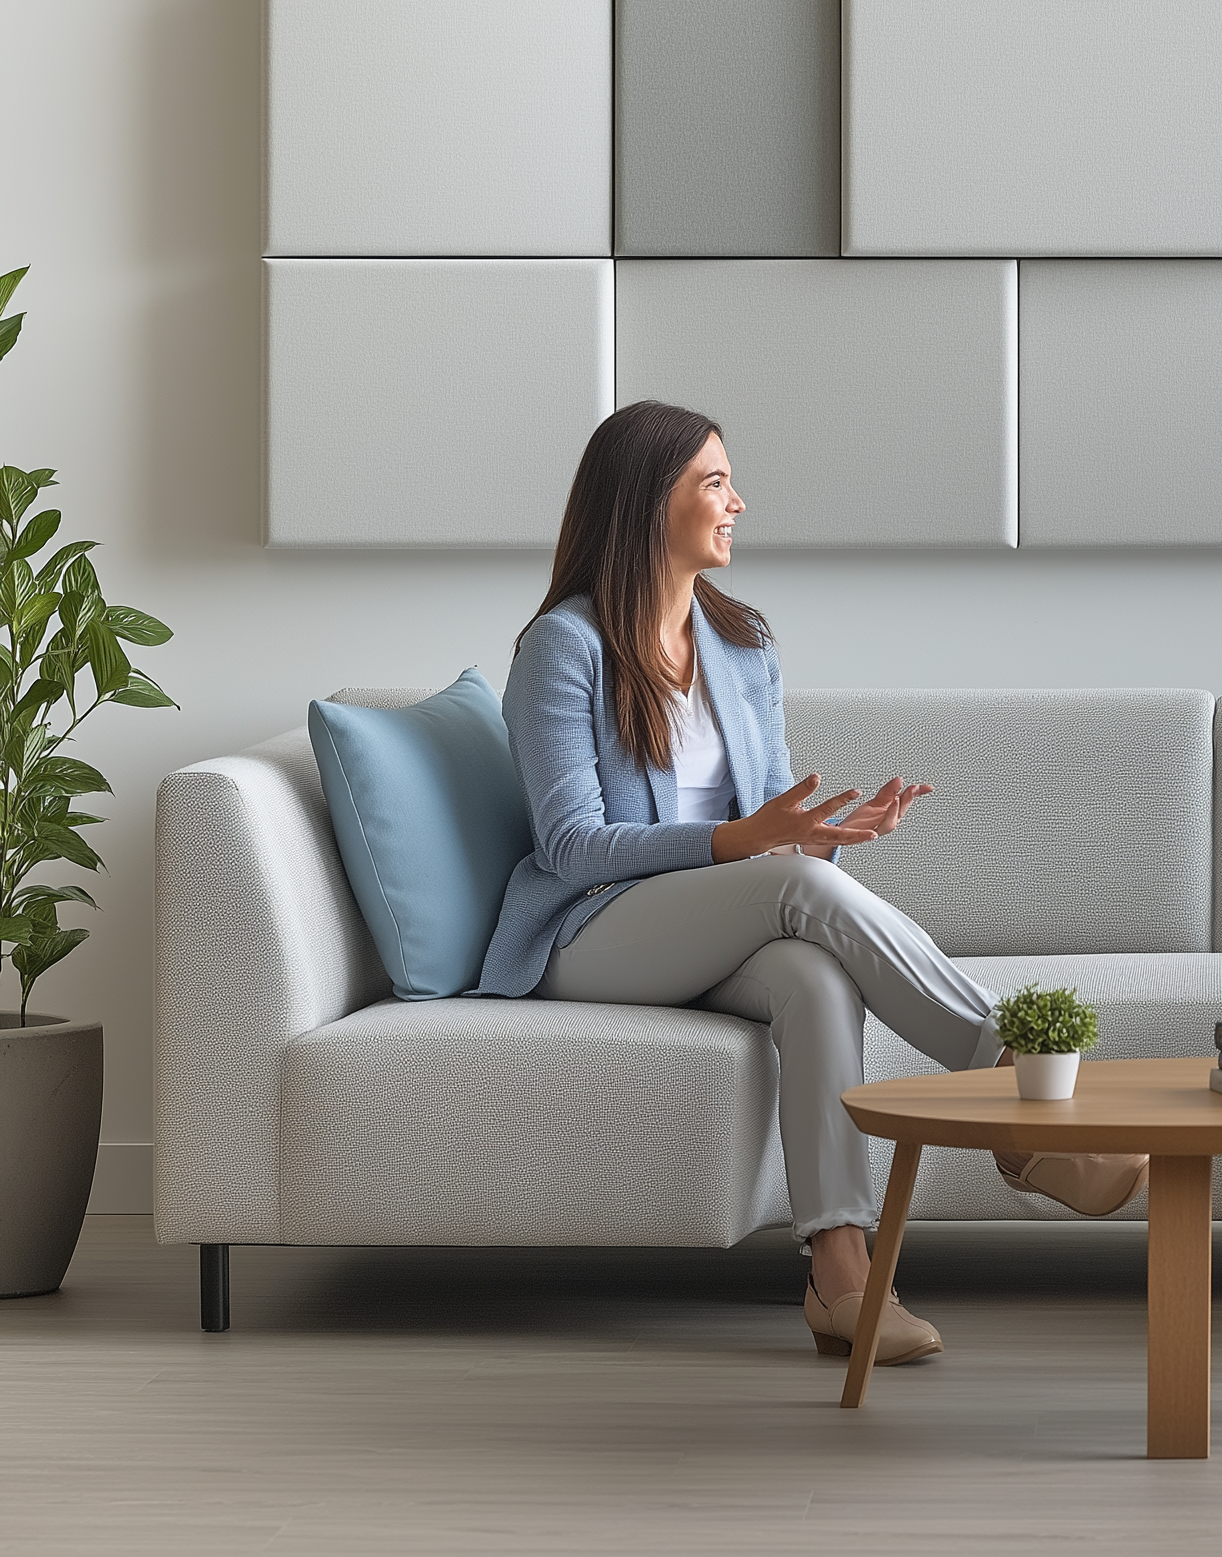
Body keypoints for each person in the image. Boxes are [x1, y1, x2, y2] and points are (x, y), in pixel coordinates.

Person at [477, 401, 1146, 1367]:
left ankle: (843, 1281)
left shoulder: (743, 647)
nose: (737, 501)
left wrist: (823, 837)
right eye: (714, 482)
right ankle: (1023, 1093)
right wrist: (754, 843)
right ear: (642, 504)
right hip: (593, 934)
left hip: (727, 920)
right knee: (794, 893)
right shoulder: (564, 648)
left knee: (813, 977)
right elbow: (573, 846)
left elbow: (773, 846)